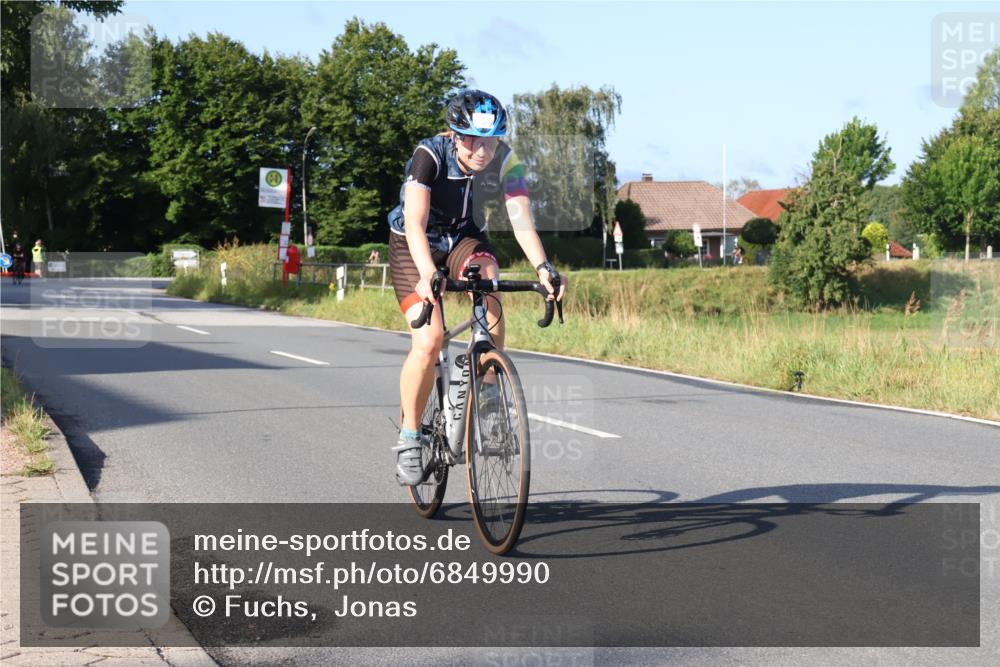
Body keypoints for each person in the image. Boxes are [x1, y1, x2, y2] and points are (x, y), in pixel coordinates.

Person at [386, 88, 566, 485]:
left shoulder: (507, 161)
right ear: (454, 134)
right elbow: (415, 223)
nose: (483, 150)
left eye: (491, 140)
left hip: (462, 239)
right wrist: (427, 273)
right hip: (413, 243)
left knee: (489, 281)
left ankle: (488, 397)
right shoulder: (429, 155)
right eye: (472, 140)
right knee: (430, 340)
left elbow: (521, 219)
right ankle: (410, 436)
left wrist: (543, 268)